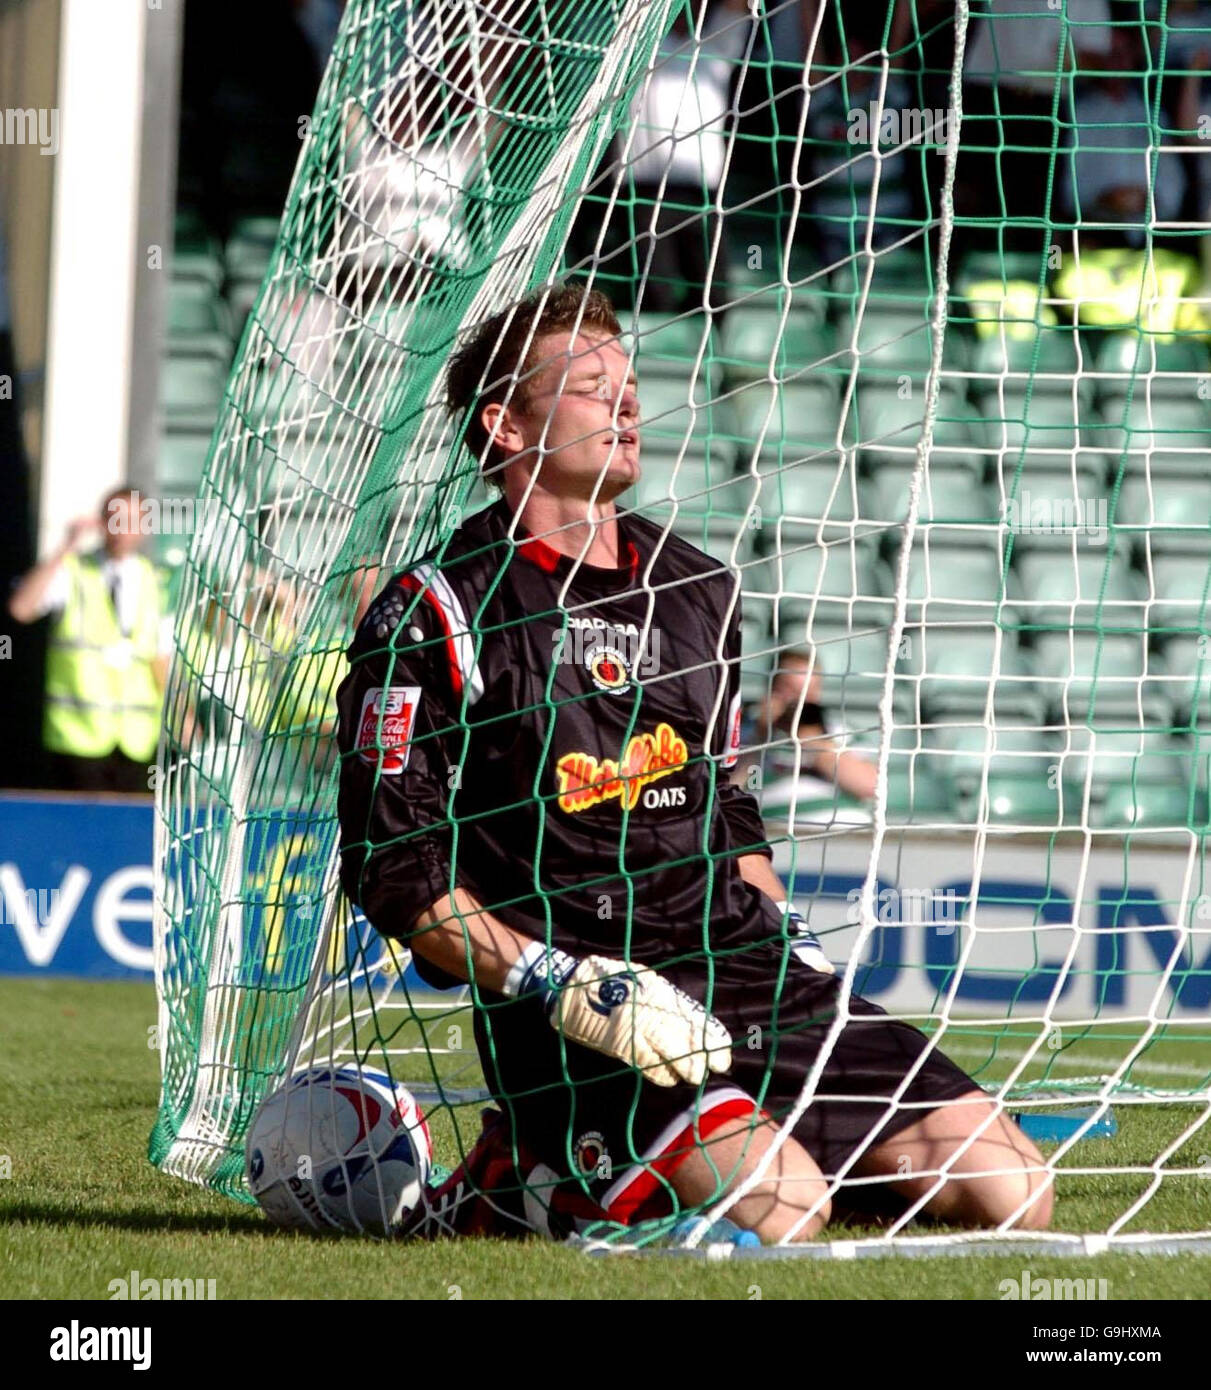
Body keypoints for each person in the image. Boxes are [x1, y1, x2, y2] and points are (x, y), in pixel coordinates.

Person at [335, 282, 1053, 1243]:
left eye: (629, 385)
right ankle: (531, 1172)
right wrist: (555, 983)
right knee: (786, 1211)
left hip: (743, 962)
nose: (627, 404)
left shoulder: (699, 588)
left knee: (1009, 1186)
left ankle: (712, 1145)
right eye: (591, 387)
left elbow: (726, 803)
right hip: (579, 987)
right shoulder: (437, 610)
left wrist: (782, 931)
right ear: (506, 426)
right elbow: (397, 868)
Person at [8, 487, 170, 793]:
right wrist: (65, 547)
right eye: (115, 519)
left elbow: (159, 657)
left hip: (136, 741)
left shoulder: (155, 580)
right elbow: (21, 608)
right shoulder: (73, 571)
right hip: (77, 740)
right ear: (102, 522)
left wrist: (182, 719)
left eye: (132, 520)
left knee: (131, 831)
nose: (122, 529)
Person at [732, 646, 877, 820]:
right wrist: (760, 737)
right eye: (792, 690)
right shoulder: (744, 731)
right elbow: (730, 790)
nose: (802, 700)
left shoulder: (843, 732)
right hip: (770, 830)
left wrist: (812, 741)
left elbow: (870, 787)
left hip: (841, 829)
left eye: (810, 691)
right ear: (771, 689)